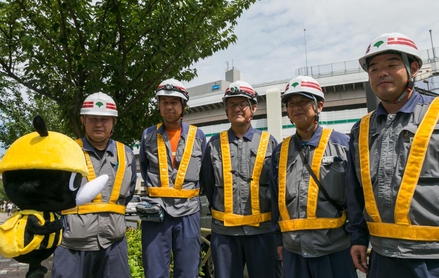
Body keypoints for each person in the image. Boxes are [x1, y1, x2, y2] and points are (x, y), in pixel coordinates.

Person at [346, 32, 439, 278]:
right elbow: (356, 191)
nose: (381, 73)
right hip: (382, 257)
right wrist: (358, 237)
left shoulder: (436, 115)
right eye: (374, 69)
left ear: (414, 68)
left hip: (432, 258)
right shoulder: (361, 129)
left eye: (392, 65)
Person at [269, 75, 357, 278]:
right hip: (293, 251)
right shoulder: (280, 152)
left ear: (319, 106)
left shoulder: (343, 144)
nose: (296, 108)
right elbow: (276, 200)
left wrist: (358, 238)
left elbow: (356, 196)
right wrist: (279, 241)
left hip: (335, 248)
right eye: (291, 104)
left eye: (303, 102)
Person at [52, 92, 137, 278]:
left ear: (113, 122)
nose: (99, 124)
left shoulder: (127, 154)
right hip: (73, 245)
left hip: (114, 244)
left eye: (105, 119)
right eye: (93, 119)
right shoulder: (67, 152)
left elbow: (128, 193)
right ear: (83, 120)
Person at [200, 80, 280, 278]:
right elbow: (209, 186)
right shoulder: (214, 144)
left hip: (262, 233)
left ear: (253, 108)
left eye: (242, 104)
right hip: (225, 235)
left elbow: (277, 187)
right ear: (226, 110)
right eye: (231, 104)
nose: (237, 109)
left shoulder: (269, 142)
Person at [138, 78, 206, 277]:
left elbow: (205, 175)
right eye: (164, 102)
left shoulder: (199, 136)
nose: (169, 107)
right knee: (154, 271)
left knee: (188, 271)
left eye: (174, 102)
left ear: (183, 106)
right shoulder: (147, 135)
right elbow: (143, 167)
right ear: (158, 106)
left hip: (188, 213)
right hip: (156, 213)